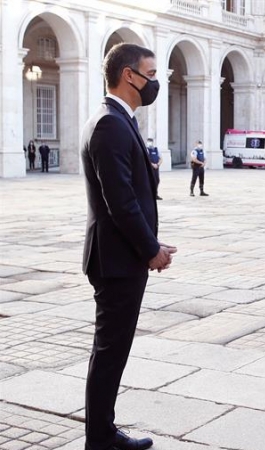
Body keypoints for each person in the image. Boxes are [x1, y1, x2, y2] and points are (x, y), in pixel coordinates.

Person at [80, 42, 177, 450]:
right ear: (128, 75)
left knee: (113, 352)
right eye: (151, 75)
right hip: (117, 260)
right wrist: (149, 249)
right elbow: (121, 202)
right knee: (109, 353)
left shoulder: (119, 120)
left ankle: (104, 432)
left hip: (120, 256)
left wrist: (151, 242)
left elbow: (129, 193)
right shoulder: (110, 124)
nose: (155, 83)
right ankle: (99, 439)